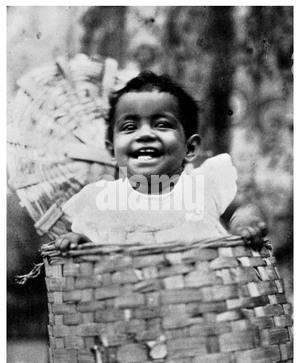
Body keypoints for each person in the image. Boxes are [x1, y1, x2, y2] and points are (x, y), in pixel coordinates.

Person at [55, 72, 267, 251]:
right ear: (112, 149)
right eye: (130, 127)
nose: (145, 134)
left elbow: (243, 209)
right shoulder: (102, 201)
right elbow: (97, 261)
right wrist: (82, 243)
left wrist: (244, 222)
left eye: (162, 124)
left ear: (190, 148)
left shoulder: (203, 186)